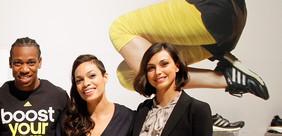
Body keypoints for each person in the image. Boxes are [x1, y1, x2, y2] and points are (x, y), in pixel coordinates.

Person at [109, 0, 268, 99]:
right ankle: (228, 78)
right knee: (129, 74)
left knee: (120, 28)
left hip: (212, 9)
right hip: (223, 29)